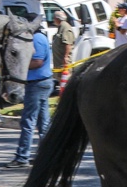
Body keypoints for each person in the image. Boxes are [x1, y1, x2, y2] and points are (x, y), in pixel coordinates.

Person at [5, 14, 53, 168]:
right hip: (42, 82)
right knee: (43, 122)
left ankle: (22, 157)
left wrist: (19, 67)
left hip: (37, 83)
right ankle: (46, 155)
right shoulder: (40, 37)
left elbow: (38, 61)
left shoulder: (37, 38)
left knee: (28, 121)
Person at [51, 10, 75, 83]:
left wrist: (66, 57)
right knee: (61, 83)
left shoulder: (65, 27)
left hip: (63, 64)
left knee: (66, 82)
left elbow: (68, 43)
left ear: (57, 18)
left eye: (54, 18)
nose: (53, 20)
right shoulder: (60, 27)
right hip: (59, 64)